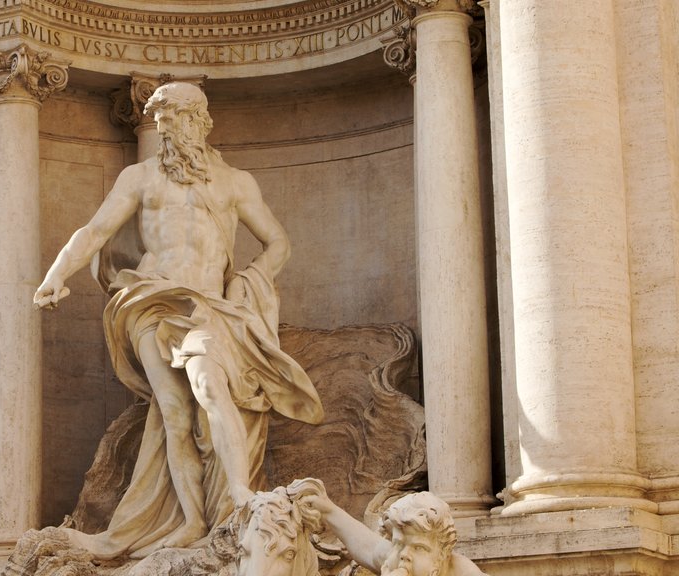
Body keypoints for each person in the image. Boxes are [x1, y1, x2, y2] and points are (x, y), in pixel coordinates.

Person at [34, 82, 323, 558]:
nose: (168, 133)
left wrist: (247, 280)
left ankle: (241, 498)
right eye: (162, 125)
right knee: (172, 410)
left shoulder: (235, 182)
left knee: (209, 384)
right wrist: (56, 274)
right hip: (150, 298)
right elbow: (96, 229)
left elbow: (278, 243)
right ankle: (191, 520)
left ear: (200, 121)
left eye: (177, 122)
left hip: (207, 304)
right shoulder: (140, 178)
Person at [301, 489, 488, 576]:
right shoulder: (398, 556)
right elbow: (368, 546)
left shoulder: (463, 573)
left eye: (419, 547)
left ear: (443, 553)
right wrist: (327, 510)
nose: (405, 555)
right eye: (398, 543)